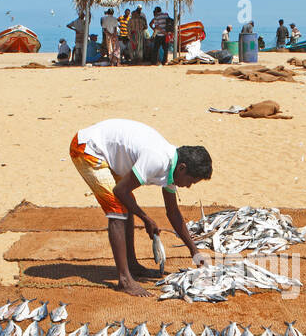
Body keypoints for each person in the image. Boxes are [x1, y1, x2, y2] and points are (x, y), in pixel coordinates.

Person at [69, 119, 214, 296]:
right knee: (118, 210)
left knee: (126, 203)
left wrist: (194, 251)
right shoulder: (157, 159)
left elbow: (173, 212)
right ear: (182, 169)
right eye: (191, 181)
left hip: (104, 150)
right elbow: (120, 190)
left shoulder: (173, 165)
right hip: (87, 148)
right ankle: (124, 280)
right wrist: (145, 218)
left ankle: (132, 265)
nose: (189, 186)